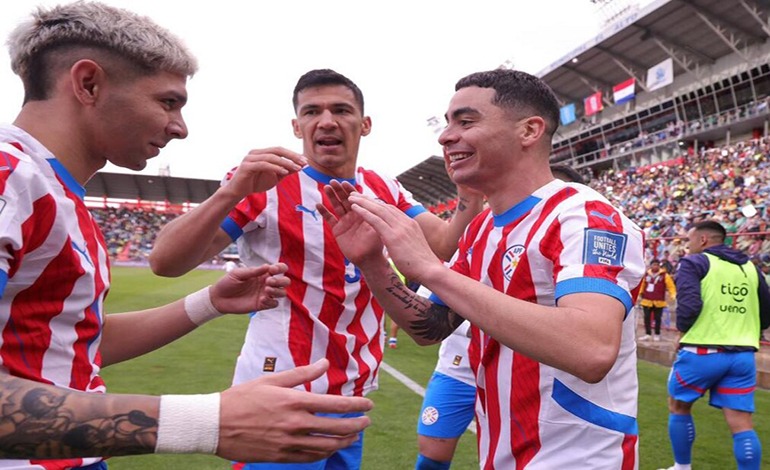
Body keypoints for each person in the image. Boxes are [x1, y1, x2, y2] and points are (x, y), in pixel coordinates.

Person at [0, 2, 373, 467]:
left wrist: (209, 302)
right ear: (88, 83)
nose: (179, 127)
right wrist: (207, 422)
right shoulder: (9, 176)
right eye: (167, 102)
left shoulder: (55, 191)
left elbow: (73, 345)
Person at [149, 69, 484, 469]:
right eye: (312, 112)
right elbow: (166, 262)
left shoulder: (383, 186)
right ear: (297, 126)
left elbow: (443, 244)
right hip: (282, 389)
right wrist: (231, 191)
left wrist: (468, 196)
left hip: (351, 389)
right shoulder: (266, 183)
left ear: (365, 124)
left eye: (341, 110)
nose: (326, 121)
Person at [319, 69, 646, 469]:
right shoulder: (481, 230)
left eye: (466, 121)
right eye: (447, 123)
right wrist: (372, 262)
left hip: (577, 460)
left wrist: (430, 269)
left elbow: (591, 349)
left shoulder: (585, 216)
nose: (445, 136)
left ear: (529, 130)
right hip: (503, 453)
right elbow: (432, 327)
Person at [414, 164, 586, 469]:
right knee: (433, 450)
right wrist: (378, 267)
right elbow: (430, 317)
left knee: (515, 454)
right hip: (458, 364)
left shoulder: (574, 243)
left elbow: (590, 345)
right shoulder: (481, 233)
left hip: (525, 374)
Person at [659, 220, 770, 470]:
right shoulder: (751, 268)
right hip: (743, 355)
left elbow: (689, 305)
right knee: (742, 423)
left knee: (678, 406)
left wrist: (683, 331)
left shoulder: (694, 262)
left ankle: (681, 467)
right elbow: (766, 312)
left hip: (701, 349)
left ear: (703, 240)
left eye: (689, 240)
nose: (687, 246)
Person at [637, 259, 677, 342]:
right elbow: (642, 285)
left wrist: (673, 295)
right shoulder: (646, 275)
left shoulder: (664, 275)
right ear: (651, 266)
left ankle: (657, 334)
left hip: (659, 301)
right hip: (647, 300)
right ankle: (647, 334)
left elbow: (670, 286)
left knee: (658, 318)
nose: (655, 266)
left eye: (657, 265)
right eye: (654, 265)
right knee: (647, 318)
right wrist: (639, 294)